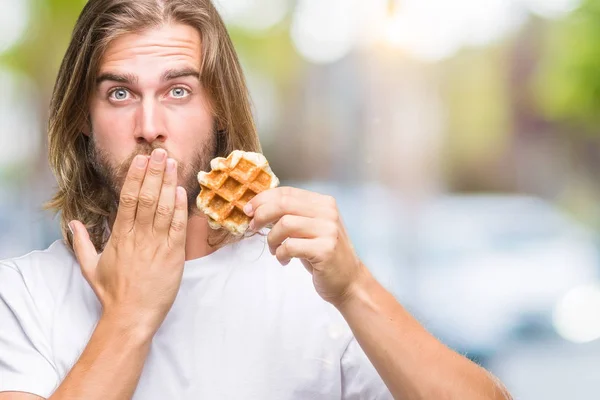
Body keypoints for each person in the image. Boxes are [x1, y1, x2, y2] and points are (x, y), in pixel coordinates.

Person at [0, 1, 512, 399]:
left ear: (219, 109)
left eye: (178, 91)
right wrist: (129, 317)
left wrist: (354, 287)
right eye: (119, 94)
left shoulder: (307, 282)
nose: (150, 127)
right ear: (82, 121)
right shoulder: (24, 293)